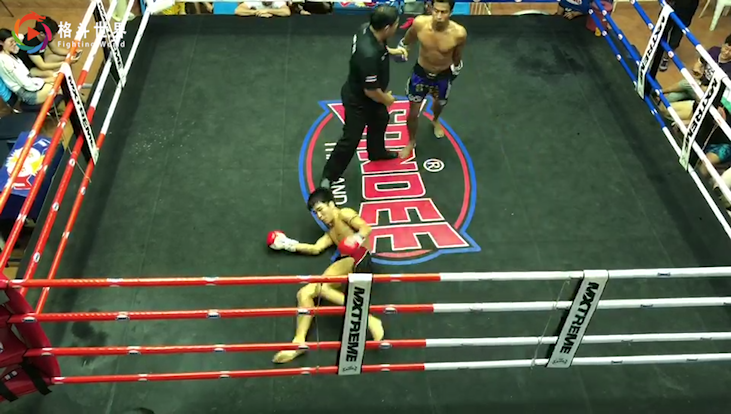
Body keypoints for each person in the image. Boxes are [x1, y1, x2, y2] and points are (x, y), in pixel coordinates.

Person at [267, 187, 385, 364]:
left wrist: (356, 238)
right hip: (348, 263)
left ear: (331, 204)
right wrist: (287, 244)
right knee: (304, 294)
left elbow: (365, 227)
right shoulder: (331, 232)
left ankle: (370, 320)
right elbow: (315, 248)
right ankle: (298, 342)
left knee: (322, 286)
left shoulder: (344, 213)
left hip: (360, 257)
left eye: (321, 210)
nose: (320, 216)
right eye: (316, 213)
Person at [319, 5, 406, 189]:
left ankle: (376, 152)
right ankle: (329, 176)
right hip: (358, 100)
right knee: (351, 139)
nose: (398, 27)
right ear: (387, 28)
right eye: (396, 24)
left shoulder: (366, 29)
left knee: (381, 119)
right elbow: (371, 91)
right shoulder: (368, 55)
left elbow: (380, 48)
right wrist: (387, 100)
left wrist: (390, 51)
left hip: (370, 96)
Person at [397, 0, 466, 159]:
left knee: (439, 103)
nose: (439, 16)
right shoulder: (420, 23)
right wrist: (402, 50)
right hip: (421, 74)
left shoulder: (459, 33)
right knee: (413, 112)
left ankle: (435, 119)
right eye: (436, 11)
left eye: (444, 12)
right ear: (430, 9)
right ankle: (411, 141)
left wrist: (456, 70)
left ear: (451, 12)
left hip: (443, 75)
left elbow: (457, 55)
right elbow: (406, 41)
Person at [659, 35, 731, 124]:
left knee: (666, 110)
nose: (726, 52)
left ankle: (689, 121)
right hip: (699, 85)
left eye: (730, 51)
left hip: (708, 97)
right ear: (723, 44)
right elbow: (698, 63)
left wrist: (706, 90)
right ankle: (660, 92)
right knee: (668, 100)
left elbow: (722, 92)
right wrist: (697, 69)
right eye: (726, 48)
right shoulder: (714, 51)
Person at [0, 28, 55, 105]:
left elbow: (21, 37)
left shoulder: (9, 52)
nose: (14, 44)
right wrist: (45, 80)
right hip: (27, 94)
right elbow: (27, 84)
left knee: (54, 79)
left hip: (30, 84)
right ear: (1, 42)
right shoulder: (5, 61)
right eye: (11, 42)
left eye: (14, 41)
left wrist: (13, 39)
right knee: (56, 86)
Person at [16, 17, 81, 80]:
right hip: (28, 68)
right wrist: (65, 63)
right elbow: (42, 66)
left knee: (68, 57)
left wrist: (73, 52)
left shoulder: (46, 36)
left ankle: (70, 81)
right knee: (51, 74)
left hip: (39, 60)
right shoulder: (30, 44)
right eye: (52, 35)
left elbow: (55, 49)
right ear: (42, 34)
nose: (54, 37)